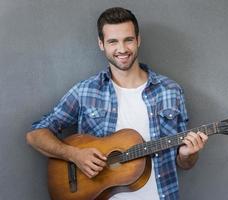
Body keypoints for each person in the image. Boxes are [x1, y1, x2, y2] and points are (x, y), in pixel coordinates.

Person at [26, 7, 208, 200]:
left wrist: (188, 155)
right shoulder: (86, 91)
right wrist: (74, 155)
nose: (122, 49)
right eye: (113, 41)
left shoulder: (170, 91)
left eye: (128, 39)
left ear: (138, 40)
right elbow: (35, 135)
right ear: (101, 44)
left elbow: (185, 164)